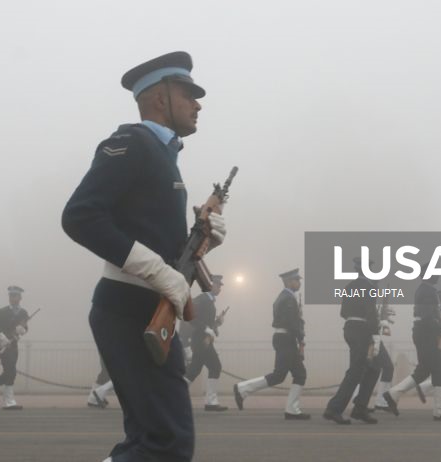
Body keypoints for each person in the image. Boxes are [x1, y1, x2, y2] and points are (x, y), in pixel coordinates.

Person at [62, 51, 225, 462]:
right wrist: (158, 272)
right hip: (130, 308)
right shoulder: (133, 143)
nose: (197, 103)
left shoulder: (164, 153)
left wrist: (202, 240)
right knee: (164, 443)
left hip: (147, 308)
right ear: (159, 98)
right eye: (188, 93)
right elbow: (80, 217)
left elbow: (150, 235)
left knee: (153, 441)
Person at [383, 272, 441, 421]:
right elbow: (427, 316)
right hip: (427, 334)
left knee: (423, 371)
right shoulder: (428, 291)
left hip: (424, 333)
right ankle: (440, 410)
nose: (438, 275)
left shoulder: (424, 289)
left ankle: (393, 394)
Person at [234, 269, 310, 420]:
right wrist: (301, 338)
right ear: (289, 282)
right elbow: (292, 323)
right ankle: (242, 389)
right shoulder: (288, 299)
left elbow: (293, 321)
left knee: (300, 374)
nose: (299, 283)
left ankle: (292, 409)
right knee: (279, 375)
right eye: (297, 280)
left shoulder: (286, 297)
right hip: (286, 338)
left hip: (284, 338)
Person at [323, 258, 380, 425]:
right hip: (362, 330)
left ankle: (360, 408)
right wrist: (375, 335)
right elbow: (371, 314)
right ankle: (334, 409)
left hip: (349, 327)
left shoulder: (349, 287)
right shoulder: (369, 288)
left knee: (372, 368)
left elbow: (343, 312)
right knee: (356, 371)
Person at [184, 275, 227, 411]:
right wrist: (206, 328)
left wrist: (217, 322)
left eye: (220, 285)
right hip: (200, 340)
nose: (220, 288)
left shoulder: (209, 301)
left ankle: (172, 396)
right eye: (217, 285)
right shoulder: (202, 300)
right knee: (214, 367)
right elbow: (190, 318)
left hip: (205, 341)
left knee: (194, 371)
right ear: (209, 285)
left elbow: (207, 323)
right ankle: (210, 402)